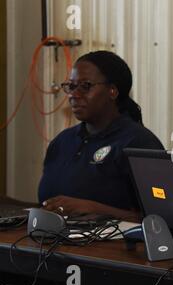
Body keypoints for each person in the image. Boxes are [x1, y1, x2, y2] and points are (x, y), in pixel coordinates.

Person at [38, 51, 164, 222]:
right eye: (71, 86)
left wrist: (93, 208)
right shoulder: (62, 141)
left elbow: (160, 220)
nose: (73, 94)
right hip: (53, 244)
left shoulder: (139, 143)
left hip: (111, 247)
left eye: (85, 85)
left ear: (112, 91)